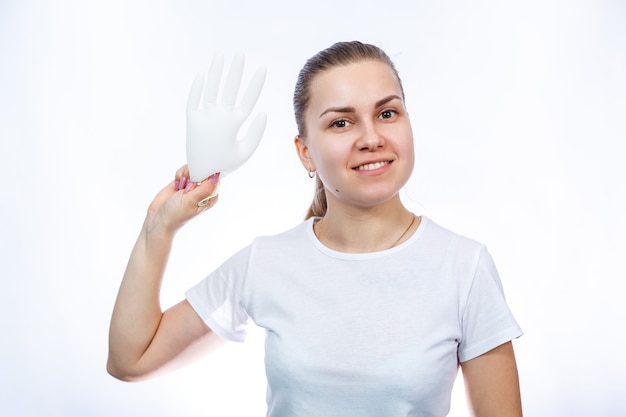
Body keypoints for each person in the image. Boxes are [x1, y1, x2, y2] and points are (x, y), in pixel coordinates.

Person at [108, 41, 523, 416]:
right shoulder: (267, 263)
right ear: (305, 153)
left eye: (387, 113)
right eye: (341, 123)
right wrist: (158, 226)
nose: (371, 137)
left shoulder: (463, 267)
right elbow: (132, 360)